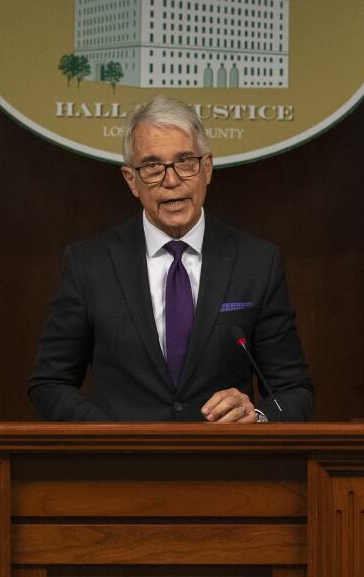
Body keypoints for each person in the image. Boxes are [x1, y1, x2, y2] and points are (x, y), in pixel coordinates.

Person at [28, 96, 313, 422]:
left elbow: (294, 392)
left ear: (207, 168)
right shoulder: (89, 265)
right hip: (119, 467)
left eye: (185, 161)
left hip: (224, 466)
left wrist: (257, 416)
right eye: (152, 167)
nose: (172, 180)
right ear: (131, 181)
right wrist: (107, 437)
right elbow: (49, 382)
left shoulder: (257, 262)